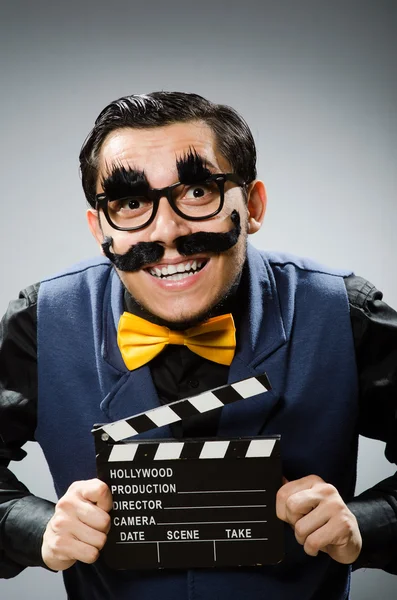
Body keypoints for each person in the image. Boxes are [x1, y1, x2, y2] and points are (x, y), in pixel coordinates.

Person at [0, 91, 396, 600]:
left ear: (251, 206)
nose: (166, 231)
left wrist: (366, 524)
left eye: (197, 192)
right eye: (130, 203)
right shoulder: (41, 322)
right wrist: (37, 528)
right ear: (100, 228)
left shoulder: (346, 314)